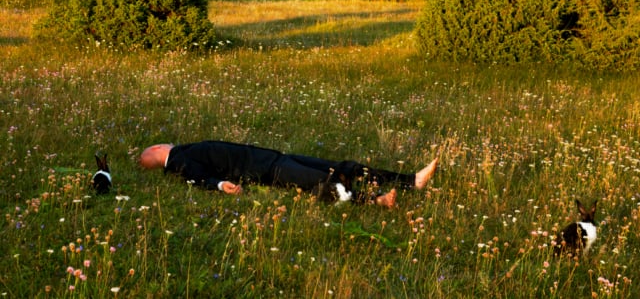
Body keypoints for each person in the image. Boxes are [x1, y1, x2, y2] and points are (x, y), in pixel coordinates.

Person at [139, 140, 438, 208]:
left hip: (273, 158)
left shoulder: (185, 151)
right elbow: (197, 176)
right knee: (323, 183)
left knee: (341, 168)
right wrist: (219, 184)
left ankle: (411, 181)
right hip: (267, 169)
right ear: (156, 150)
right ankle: (375, 201)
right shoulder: (178, 161)